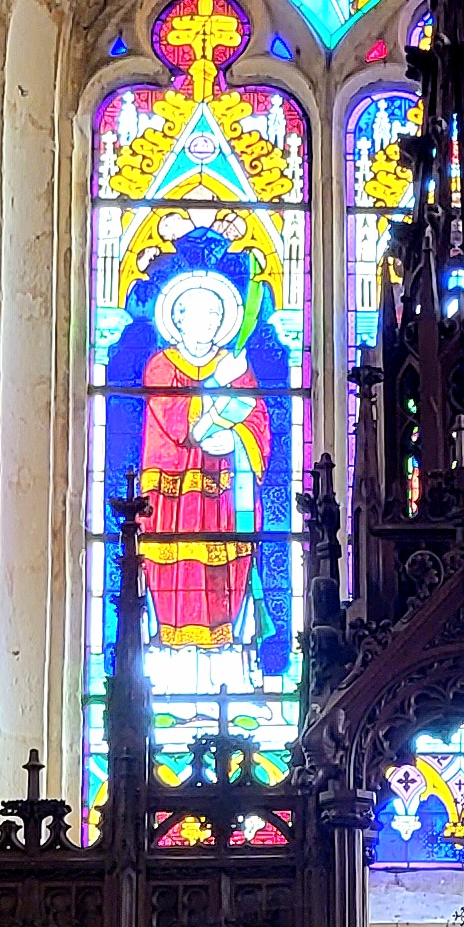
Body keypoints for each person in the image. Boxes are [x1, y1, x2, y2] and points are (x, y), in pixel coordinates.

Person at [135, 267, 266, 657]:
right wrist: (216, 386)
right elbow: (178, 422)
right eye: (199, 312)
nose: (209, 321)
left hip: (222, 495)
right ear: (178, 318)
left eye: (215, 314)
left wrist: (238, 438)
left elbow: (258, 420)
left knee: (220, 574)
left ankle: (224, 660)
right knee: (173, 574)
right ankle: (167, 660)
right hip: (171, 499)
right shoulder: (161, 365)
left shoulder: (235, 366)